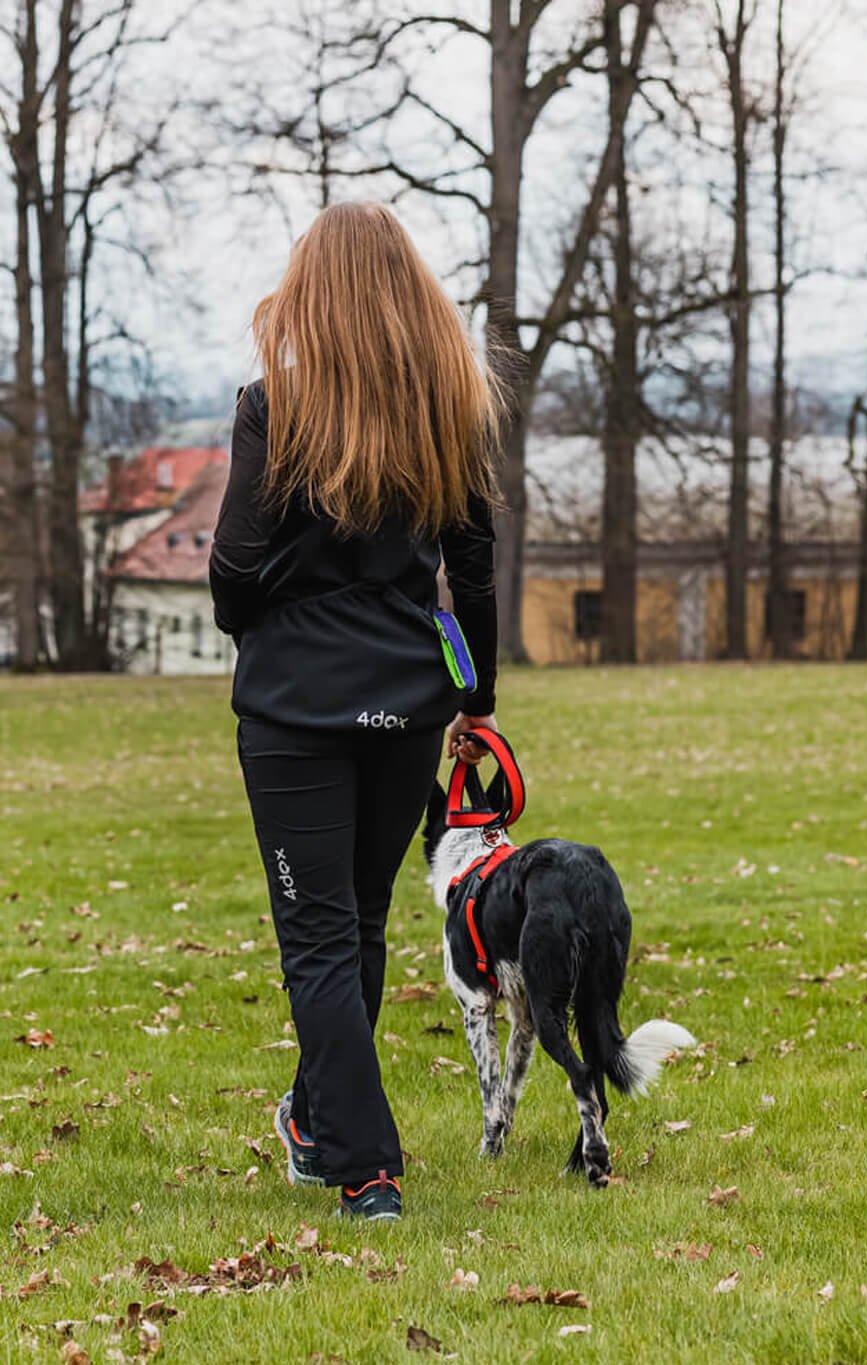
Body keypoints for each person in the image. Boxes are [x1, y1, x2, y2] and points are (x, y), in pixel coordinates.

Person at [209, 202, 500, 1222]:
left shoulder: (269, 409)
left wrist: (255, 623)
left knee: (324, 939)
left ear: (312, 297)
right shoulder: (445, 409)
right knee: (354, 926)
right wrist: (476, 699)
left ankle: (363, 1165)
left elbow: (234, 567)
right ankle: (314, 1116)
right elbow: (471, 570)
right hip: (409, 702)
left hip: (294, 708)